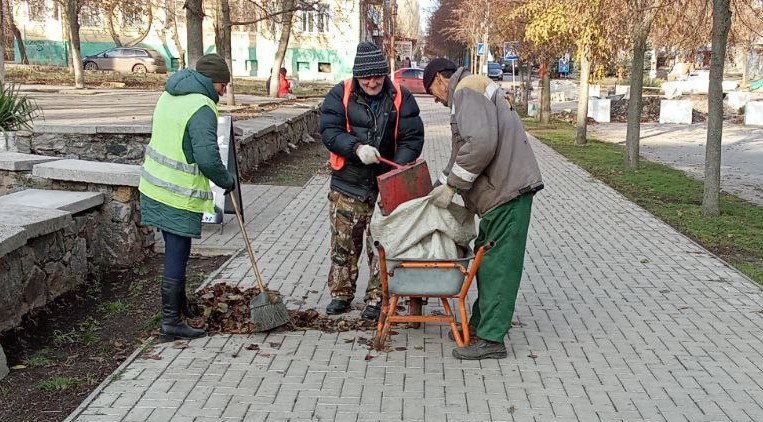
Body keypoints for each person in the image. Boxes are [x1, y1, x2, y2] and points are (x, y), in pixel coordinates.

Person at [422, 58, 544, 360]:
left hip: (507, 192)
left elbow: (481, 144)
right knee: (487, 263)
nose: (436, 100)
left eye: (432, 92)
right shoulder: (470, 89)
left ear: (440, 78)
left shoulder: (465, 91)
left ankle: (491, 339)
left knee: (498, 267)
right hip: (499, 194)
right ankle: (479, 325)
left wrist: (452, 187)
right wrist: (440, 183)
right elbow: (462, 151)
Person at [320, 42, 424, 320]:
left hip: (386, 187)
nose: (372, 81)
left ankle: (377, 299)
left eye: (377, 75)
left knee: (381, 245)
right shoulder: (339, 94)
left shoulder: (401, 96)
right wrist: (355, 148)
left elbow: (412, 138)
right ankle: (340, 294)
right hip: (348, 183)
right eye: (366, 77)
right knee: (344, 244)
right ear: (357, 76)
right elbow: (329, 131)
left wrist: (396, 168)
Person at [139, 53, 236, 342]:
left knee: (172, 247)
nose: (224, 91)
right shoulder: (201, 106)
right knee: (177, 253)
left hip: (153, 186)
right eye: (223, 84)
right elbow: (207, 158)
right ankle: (171, 324)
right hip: (176, 193)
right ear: (214, 81)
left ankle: (179, 308)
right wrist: (225, 180)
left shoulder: (170, 93)